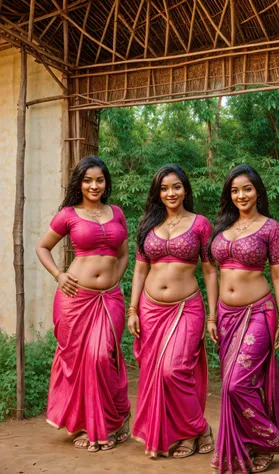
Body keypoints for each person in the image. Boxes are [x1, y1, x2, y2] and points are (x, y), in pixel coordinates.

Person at [36, 155, 130, 452]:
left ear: (106, 183)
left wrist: (114, 281)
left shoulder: (116, 212)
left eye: (99, 180)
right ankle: (90, 426)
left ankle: (114, 421)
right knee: (80, 361)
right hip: (75, 299)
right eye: (87, 180)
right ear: (79, 183)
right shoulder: (68, 214)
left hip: (109, 298)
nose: (94, 185)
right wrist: (58, 275)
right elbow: (43, 247)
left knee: (104, 357)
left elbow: (125, 253)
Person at [128, 164, 217, 459]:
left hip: (185, 307)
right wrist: (132, 309)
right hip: (150, 309)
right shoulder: (147, 226)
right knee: (156, 375)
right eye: (164, 188)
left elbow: (209, 270)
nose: (171, 193)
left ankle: (199, 427)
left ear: (186, 189)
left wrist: (212, 315)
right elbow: (140, 270)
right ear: (157, 193)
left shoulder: (200, 224)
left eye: (176, 186)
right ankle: (187, 435)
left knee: (174, 371)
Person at [208, 165, 279, 474]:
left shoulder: (271, 228)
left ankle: (269, 439)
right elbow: (212, 273)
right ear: (230, 195)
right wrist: (212, 315)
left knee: (235, 385)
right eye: (235, 190)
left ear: (258, 191)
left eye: (247, 189)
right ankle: (250, 444)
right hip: (226, 317)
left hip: (258, 312)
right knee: (240, 384)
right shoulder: (221, 227)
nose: (241, 195)